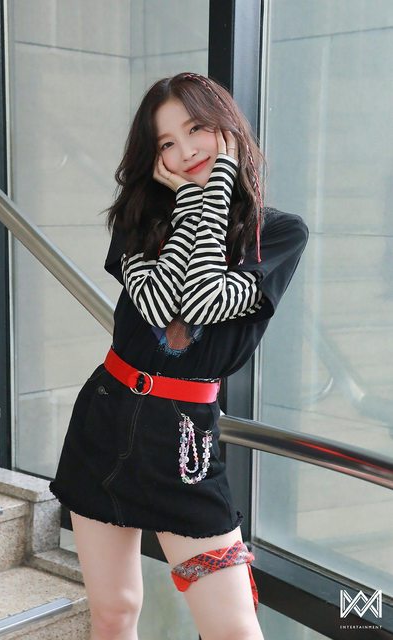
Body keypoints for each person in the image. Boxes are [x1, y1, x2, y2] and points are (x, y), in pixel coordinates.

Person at [49, 72, 309, 640]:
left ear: (228, 131)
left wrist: (208, 197)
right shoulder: (140, 218)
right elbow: (158, 305)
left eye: (196, 129)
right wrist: (194, 203)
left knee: (232, 628)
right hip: (105, 417)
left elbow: (203, 301)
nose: (186, 151)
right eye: (167, 142)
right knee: (114, 611)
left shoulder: (276, 233)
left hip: (186, 444)